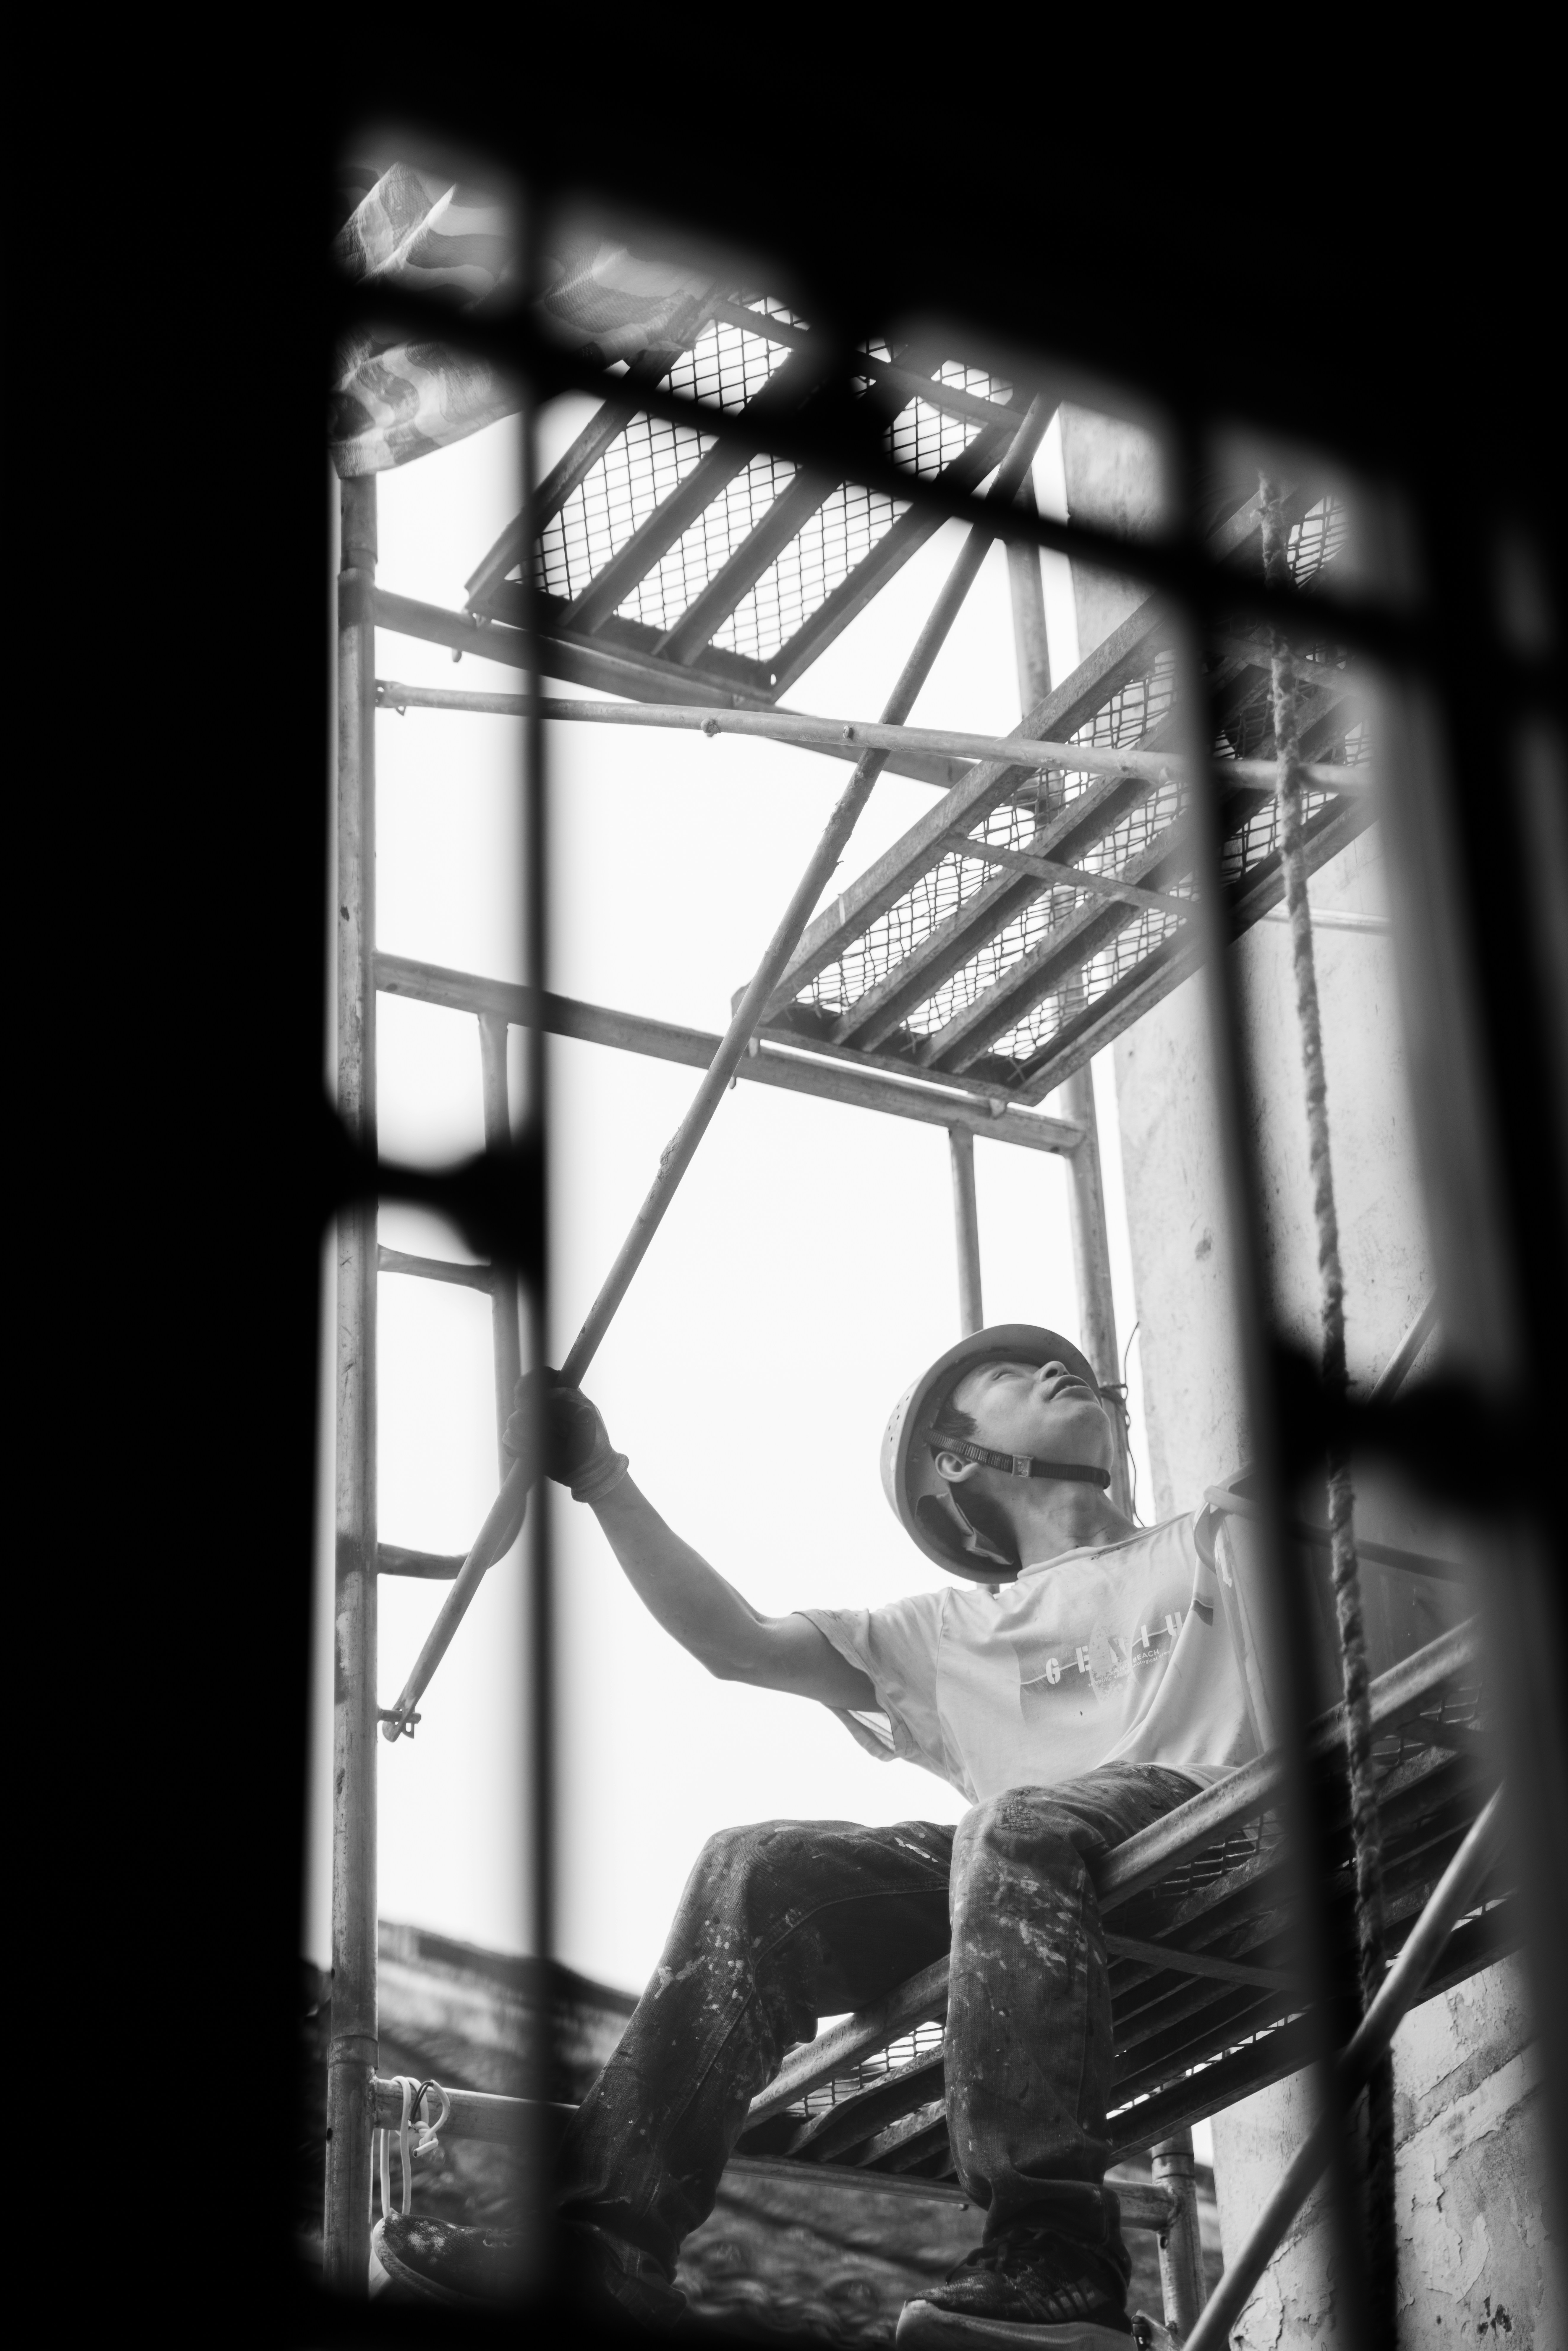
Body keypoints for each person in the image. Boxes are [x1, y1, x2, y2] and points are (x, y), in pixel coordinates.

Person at [527, 1326, 1254, 2344]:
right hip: (1024, 1890)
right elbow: (735, 1646)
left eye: (1068, 1370)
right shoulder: (946, 1633)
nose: (1059, 1371)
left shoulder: (1216, 1537)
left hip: (1204, 1836)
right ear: (956, 1461)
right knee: (759, 1868)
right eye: (1013, 1375)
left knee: (1011, 1826)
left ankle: (1057, 2252)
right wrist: (601, 1476)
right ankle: (603, 2249)